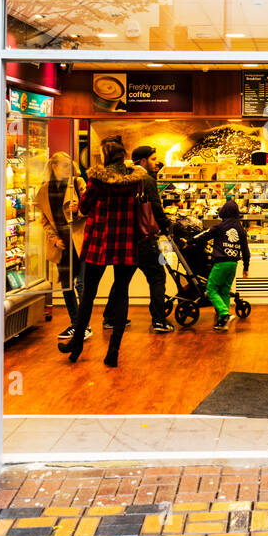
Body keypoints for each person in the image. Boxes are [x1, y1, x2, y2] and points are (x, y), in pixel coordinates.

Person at [64, 136, 146, 366]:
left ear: (106, 156)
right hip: (126, 240)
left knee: (88, 294)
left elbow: (85, 207)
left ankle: (77, 343)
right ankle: (113, 352)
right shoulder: (135, 179)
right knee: (121, 293)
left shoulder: (97, 180)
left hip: (99, 240)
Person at [105, 144, 171, 333]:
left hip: (126, 238)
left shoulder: (124, 178)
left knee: (122, 280)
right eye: (152, 159)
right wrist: (166, 225)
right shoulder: (145, 179)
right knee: (157, 276)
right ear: (142, 161)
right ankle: (159, 321)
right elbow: (155, 208)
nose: (156, 162)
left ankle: (110, 318)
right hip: (144, 239)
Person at [35, 151, 86, 331]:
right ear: (54, 167)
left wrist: (78, 210)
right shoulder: (44, 189)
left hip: (79, 242)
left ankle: (83, 325)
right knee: (66, 285)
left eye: (70, 166)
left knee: (81, 284)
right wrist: (55, 239)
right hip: (61, 245)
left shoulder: (77, 184)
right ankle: (75, 323)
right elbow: (45, 220)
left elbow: (90, 208)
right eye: (65, 166)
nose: (69, 170)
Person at [192, 199, 251, 330]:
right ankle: (223, 322)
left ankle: (224, 315)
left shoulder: (220, 226)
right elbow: (246, 251)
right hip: (233, 264)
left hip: (221, 263)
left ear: (224, 211)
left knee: (211, 289)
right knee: (224, 291)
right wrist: (246, 267)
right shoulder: (241, 229)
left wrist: (192, 242)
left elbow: (204, 236)